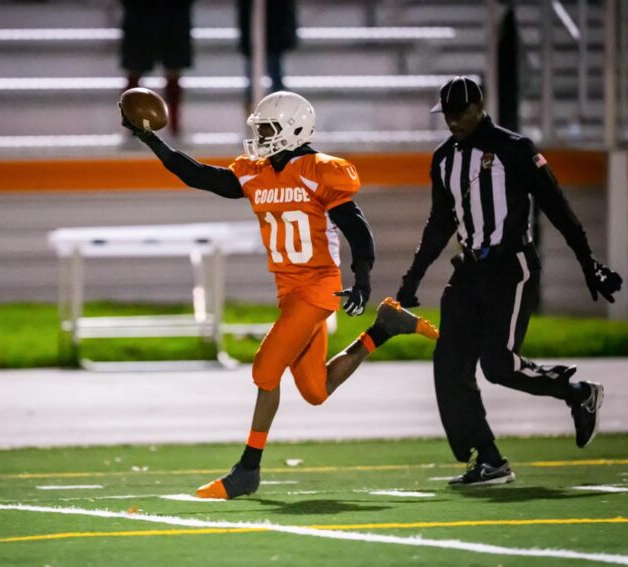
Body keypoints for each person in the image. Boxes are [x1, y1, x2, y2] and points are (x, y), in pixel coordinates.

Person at [121, 90, 439, 499]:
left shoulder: (318, 170)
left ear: (293, 129)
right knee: (315, 390)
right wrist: (150, 140)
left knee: (265, 370)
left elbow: (356, 227)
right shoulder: (258, 171)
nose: (261, 136)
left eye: (269, 128)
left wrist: (362, 277)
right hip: (290, 292)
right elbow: (198, 174)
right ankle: (384, 328)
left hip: (318, 288)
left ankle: (247, 469)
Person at [396, 76, 623, 487]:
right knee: (449, 365)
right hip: (467, 270)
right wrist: (412, 278)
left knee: (498, 365)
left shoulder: (514, 149)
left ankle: (577, 393)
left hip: (510, 267)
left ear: (479, 106)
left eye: (460, 112)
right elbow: (440, 222)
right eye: (447, 114)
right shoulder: (444, 158)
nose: (453, 121)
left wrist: (589, 264)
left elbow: (557, 206)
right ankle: (489, 458)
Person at [119, 0, 194, 136]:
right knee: (135, 69)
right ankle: (132, 122)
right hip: (142, 14)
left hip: (172, 14)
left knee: (173, 70)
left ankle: (174, 124)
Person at [237, 0, 298, 110]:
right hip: (255, 29)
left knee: (276, 78)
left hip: (275, 26)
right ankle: (254, 117)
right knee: (254, 82)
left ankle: (281, 116)